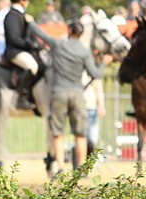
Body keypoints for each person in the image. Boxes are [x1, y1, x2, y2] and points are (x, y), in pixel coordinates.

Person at [32, 20, 102, 173]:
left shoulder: (58, 45)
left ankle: (61, 167)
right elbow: (95, 74)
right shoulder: (84, 51)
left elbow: (41, 34)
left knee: (58, 132)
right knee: (80, 134)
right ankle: (82, 171)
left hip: (59, 93)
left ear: (69, 30)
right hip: (77, 94)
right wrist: (104, 63)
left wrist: (30, 22)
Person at [4, 0, 44, 110]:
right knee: (32, 66)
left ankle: (33, 96)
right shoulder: (12, 15)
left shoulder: (22, 15)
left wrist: (37, 44)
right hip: (15, 51)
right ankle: (20, 99)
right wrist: (32, 45)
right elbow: (14, 38)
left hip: (24, 50)